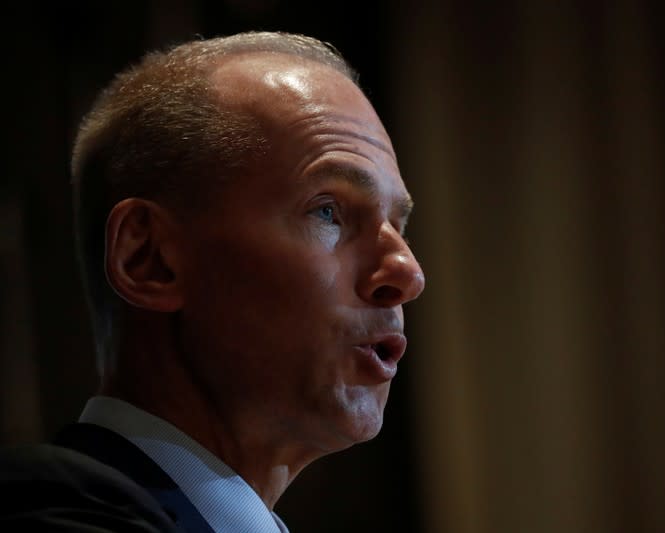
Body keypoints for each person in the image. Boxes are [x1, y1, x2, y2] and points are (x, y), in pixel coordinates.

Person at [0, 31, 424, 532]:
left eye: (396, 226)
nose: (407, 273)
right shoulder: (47, 515)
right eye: (328, 211)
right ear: (149, 259)